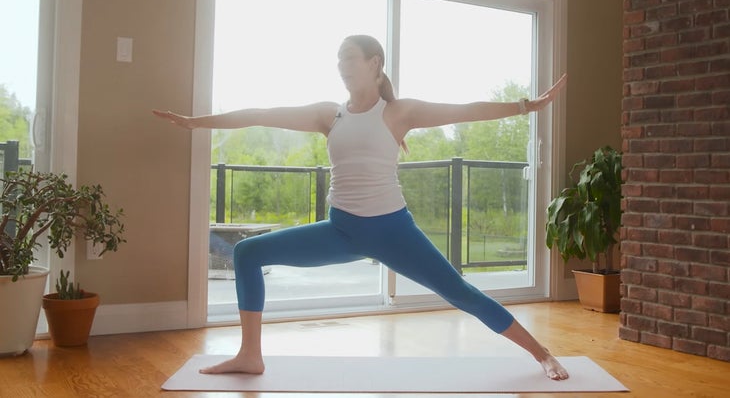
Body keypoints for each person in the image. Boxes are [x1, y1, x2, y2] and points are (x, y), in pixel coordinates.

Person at [153, 34, 569, 380]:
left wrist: (524, 106)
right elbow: (262, 114)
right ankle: (250, 355)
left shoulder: (398, 112)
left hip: (393, 232)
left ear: (374, 63)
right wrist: (198, 122)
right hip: (341, 230)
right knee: (248, 252)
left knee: (460, 292)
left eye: (349, 58)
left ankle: (543, 354)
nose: (341, 65)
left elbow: (466, 110)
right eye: (338, 59)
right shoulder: (328, 115)